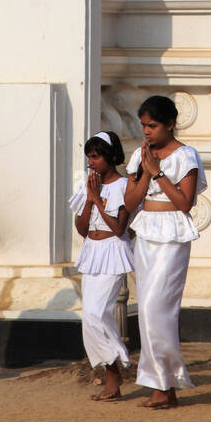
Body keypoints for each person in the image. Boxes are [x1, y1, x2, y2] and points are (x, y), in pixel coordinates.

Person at [124, 95, 206, 409]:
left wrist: (158, 172)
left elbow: (186, 202)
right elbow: (130, 202)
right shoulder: (140, 155)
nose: (146, 131)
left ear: (169, 123)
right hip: (146, 233)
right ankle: (163, 386)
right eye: (143, 125)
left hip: (172, 235)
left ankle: (165, 382)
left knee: (159, 309)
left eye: (153, 125)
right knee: (145, 309)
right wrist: (145, 170)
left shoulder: (186, 155)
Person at [70, 130, 133, 401]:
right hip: (92, 251)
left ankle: (116, 369)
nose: (91, 163)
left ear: (111, 156)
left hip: (113, 251)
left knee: (97, 313)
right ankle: (113, 373)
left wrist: (96, 198)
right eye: (89, 158)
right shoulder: (88, 185)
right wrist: (88, 197)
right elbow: (82, 229)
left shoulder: (123, 186)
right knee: (90, 317)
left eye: (96, 157)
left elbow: (119, 227)